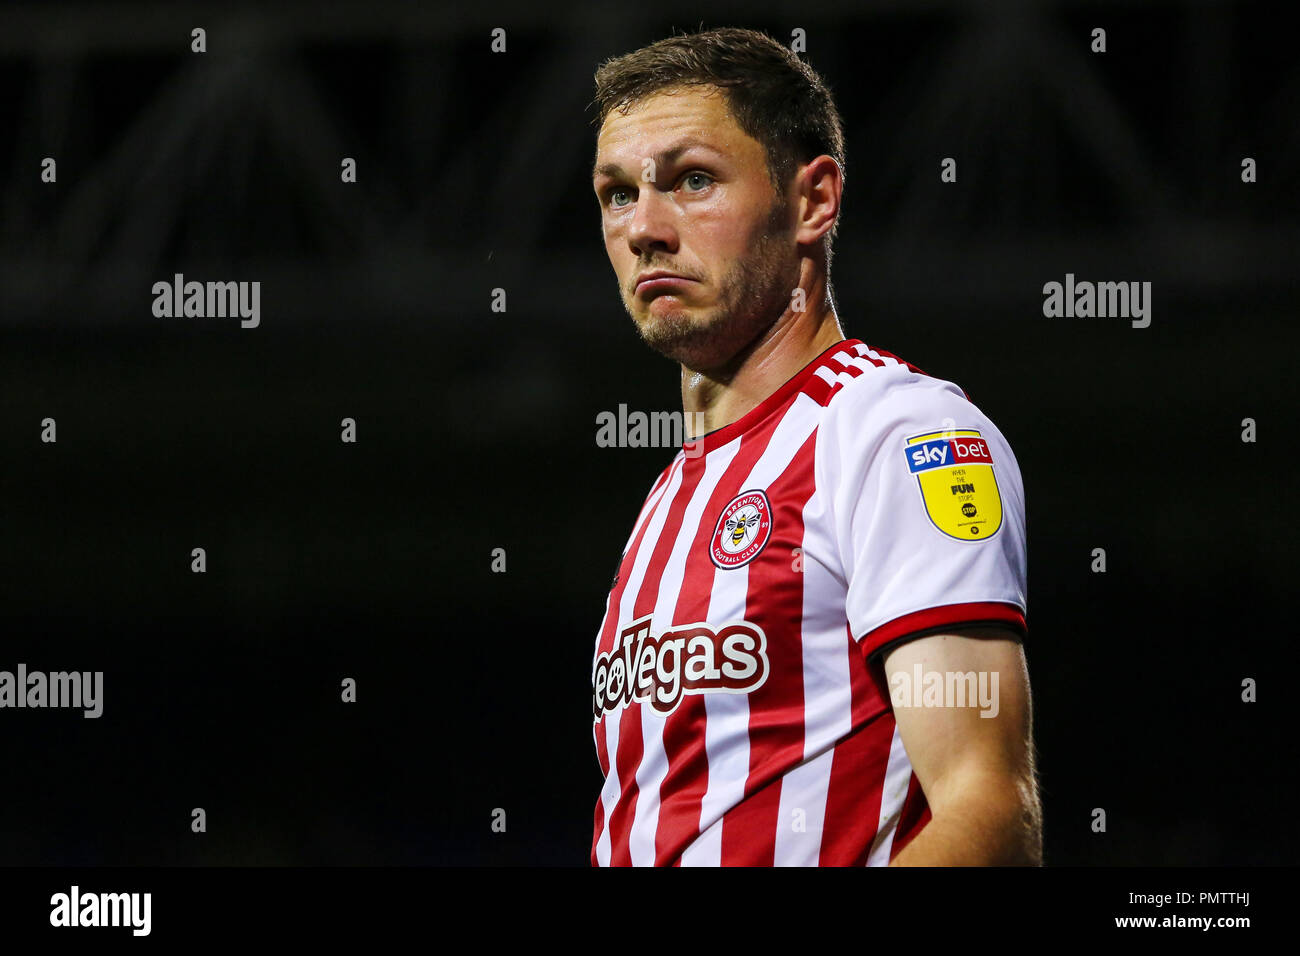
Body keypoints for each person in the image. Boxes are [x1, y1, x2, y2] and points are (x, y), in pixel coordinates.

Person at [587, 26, 1042, 866]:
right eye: (618, 194)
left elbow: (988, 815)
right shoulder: (667, 500)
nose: (645, 227)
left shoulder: (899, 436)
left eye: (692, 180)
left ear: (813, 201)